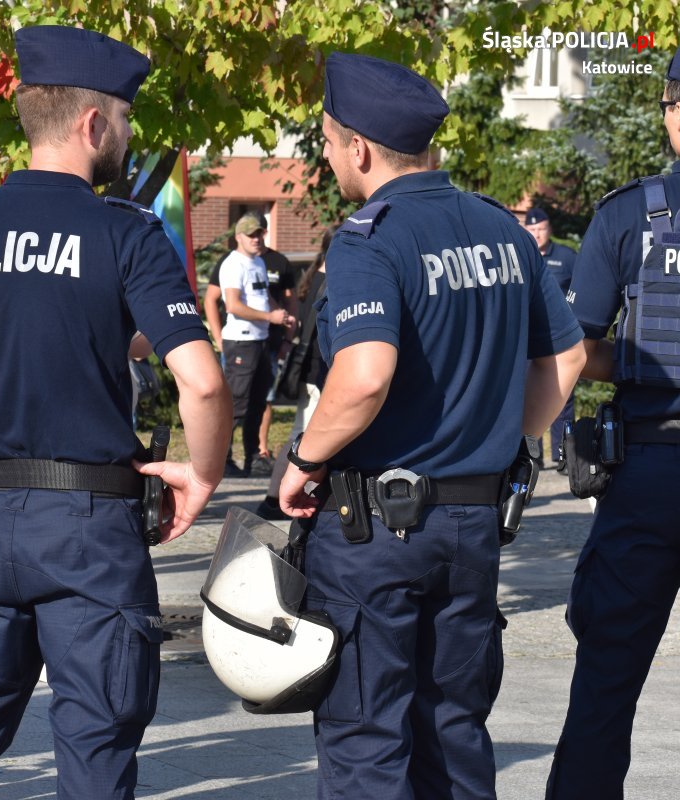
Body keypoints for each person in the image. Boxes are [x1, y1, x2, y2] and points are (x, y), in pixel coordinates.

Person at [0, 24, 232, 799]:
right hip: (90, 531)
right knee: (96, 754)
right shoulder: (124, 234)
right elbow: (201, 382)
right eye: (125, 119)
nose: (129, 136)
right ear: (93, 123)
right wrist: (201, 476)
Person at [276, 52, 585, 799]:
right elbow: (568, 357)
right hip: (471, 524)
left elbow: (365, 377)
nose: (325, 154)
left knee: (365, 741)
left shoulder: (371, 237)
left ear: (358, 147)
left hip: (373, 534)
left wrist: (303, 460)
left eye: (325, 140)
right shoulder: (499, 228)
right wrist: (508, 442)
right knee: (453, 733)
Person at [545, 49, 680, 800]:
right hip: (649, 469)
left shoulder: (633, 213)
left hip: (651, 473)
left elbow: (574, 349)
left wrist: (634, 360)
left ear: (670, 111)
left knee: (605, 687)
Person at [255, 225, 336, 521]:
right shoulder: (330, 281)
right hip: (318, 370)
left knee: (304, 433)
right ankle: (274, 498)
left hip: (308, 370)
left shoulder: (311, 277)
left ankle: (278, 495)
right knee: (302, 436)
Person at [220, 212, 294, 477]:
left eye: (260, 233)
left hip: (261, 340)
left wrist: (281, 314)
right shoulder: (233, 264)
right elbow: (233, 305)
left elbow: (264, 298)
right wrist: (269, 317)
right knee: (236, 404)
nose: (257, 239)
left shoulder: (259, 263)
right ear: (239, 237)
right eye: (251, 234)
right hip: (241, 340)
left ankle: (252, 459)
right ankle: (223, 460)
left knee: (258, 403)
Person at [523, 206, 578, 470]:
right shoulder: (520, 255)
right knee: (527, 393)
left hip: (557, 340)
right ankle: (532, 455)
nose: (536, 234)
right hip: (526, 340)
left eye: (540, 229)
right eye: (531, 230)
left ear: (549, 229)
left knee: (562, 396)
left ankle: (563, 454)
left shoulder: (566, 257)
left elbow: (580, 290)